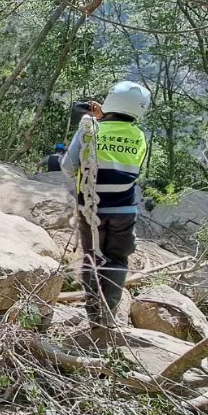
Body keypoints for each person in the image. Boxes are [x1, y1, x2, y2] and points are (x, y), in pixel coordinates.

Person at [61, 82, 150, 335]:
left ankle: (93, 315)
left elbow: (69, 166)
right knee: (118, 259)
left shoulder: (89, 129)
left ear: (110, 100)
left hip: (91, 209)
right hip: (124, 210)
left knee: (92, 258)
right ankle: (108, 315)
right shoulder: (140, 137)